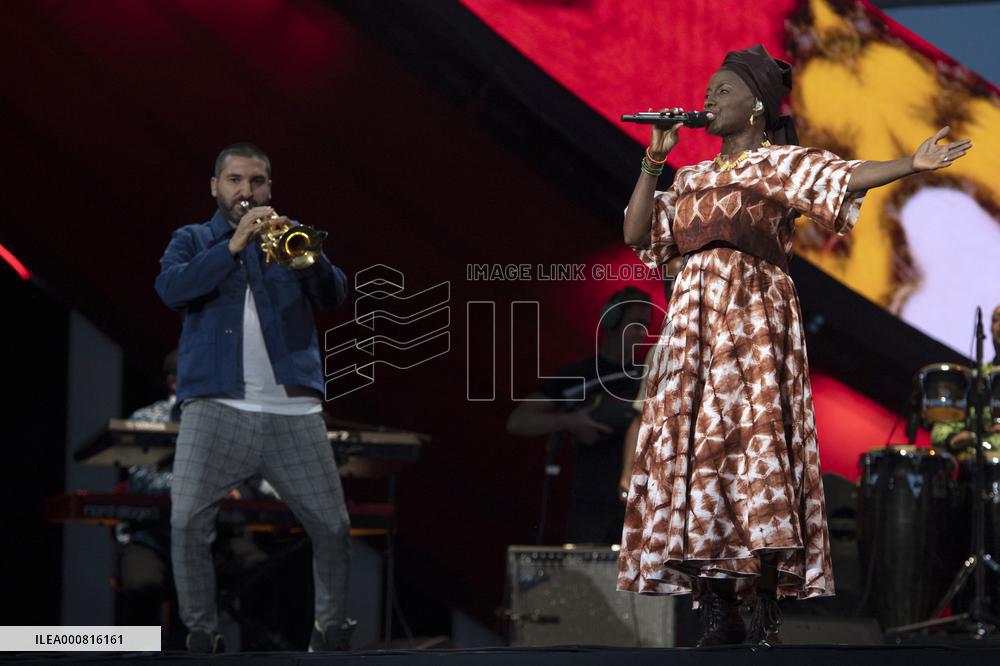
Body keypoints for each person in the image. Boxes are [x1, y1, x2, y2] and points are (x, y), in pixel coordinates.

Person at [617, 44, 972, 646]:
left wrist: (911, 165)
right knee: (703, 460)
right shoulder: (693, 177)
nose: (708, 99)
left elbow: (842, 175)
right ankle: (719, 605)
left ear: (756, 106)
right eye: (707, 90)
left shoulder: (778, 165)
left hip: (753, 323)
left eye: (722, 91)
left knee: (756, 455)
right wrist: (655, 161)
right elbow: (635, 233)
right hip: (696, 329)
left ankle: (761, 602)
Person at [155, 142, 352, 653]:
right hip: (216, 406)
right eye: (236, 180)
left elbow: (334, 294)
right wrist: (232, 246)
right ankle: (203, 631)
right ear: (215, 186)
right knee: (186, 521)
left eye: (257, 181)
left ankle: (329, 630)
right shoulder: (193, 238)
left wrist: (306, 257)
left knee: (332, 525)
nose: (247, 190)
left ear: (270, 187)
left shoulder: (290, 234)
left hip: (294, 409)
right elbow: (171, 289)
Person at [507, 287, 653, 544]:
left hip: (641, 496)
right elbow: (519, 421)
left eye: (646, 324)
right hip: (591, 499)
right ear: (611, 320)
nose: (642, 332)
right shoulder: (577, 376)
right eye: (636, 323)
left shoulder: (648, 375)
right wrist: (569, 421)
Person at [930, 303, 1000, 451]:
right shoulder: (975, 377)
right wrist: (951, 439)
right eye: (996, 319)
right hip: (981, 464)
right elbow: (942, 426)